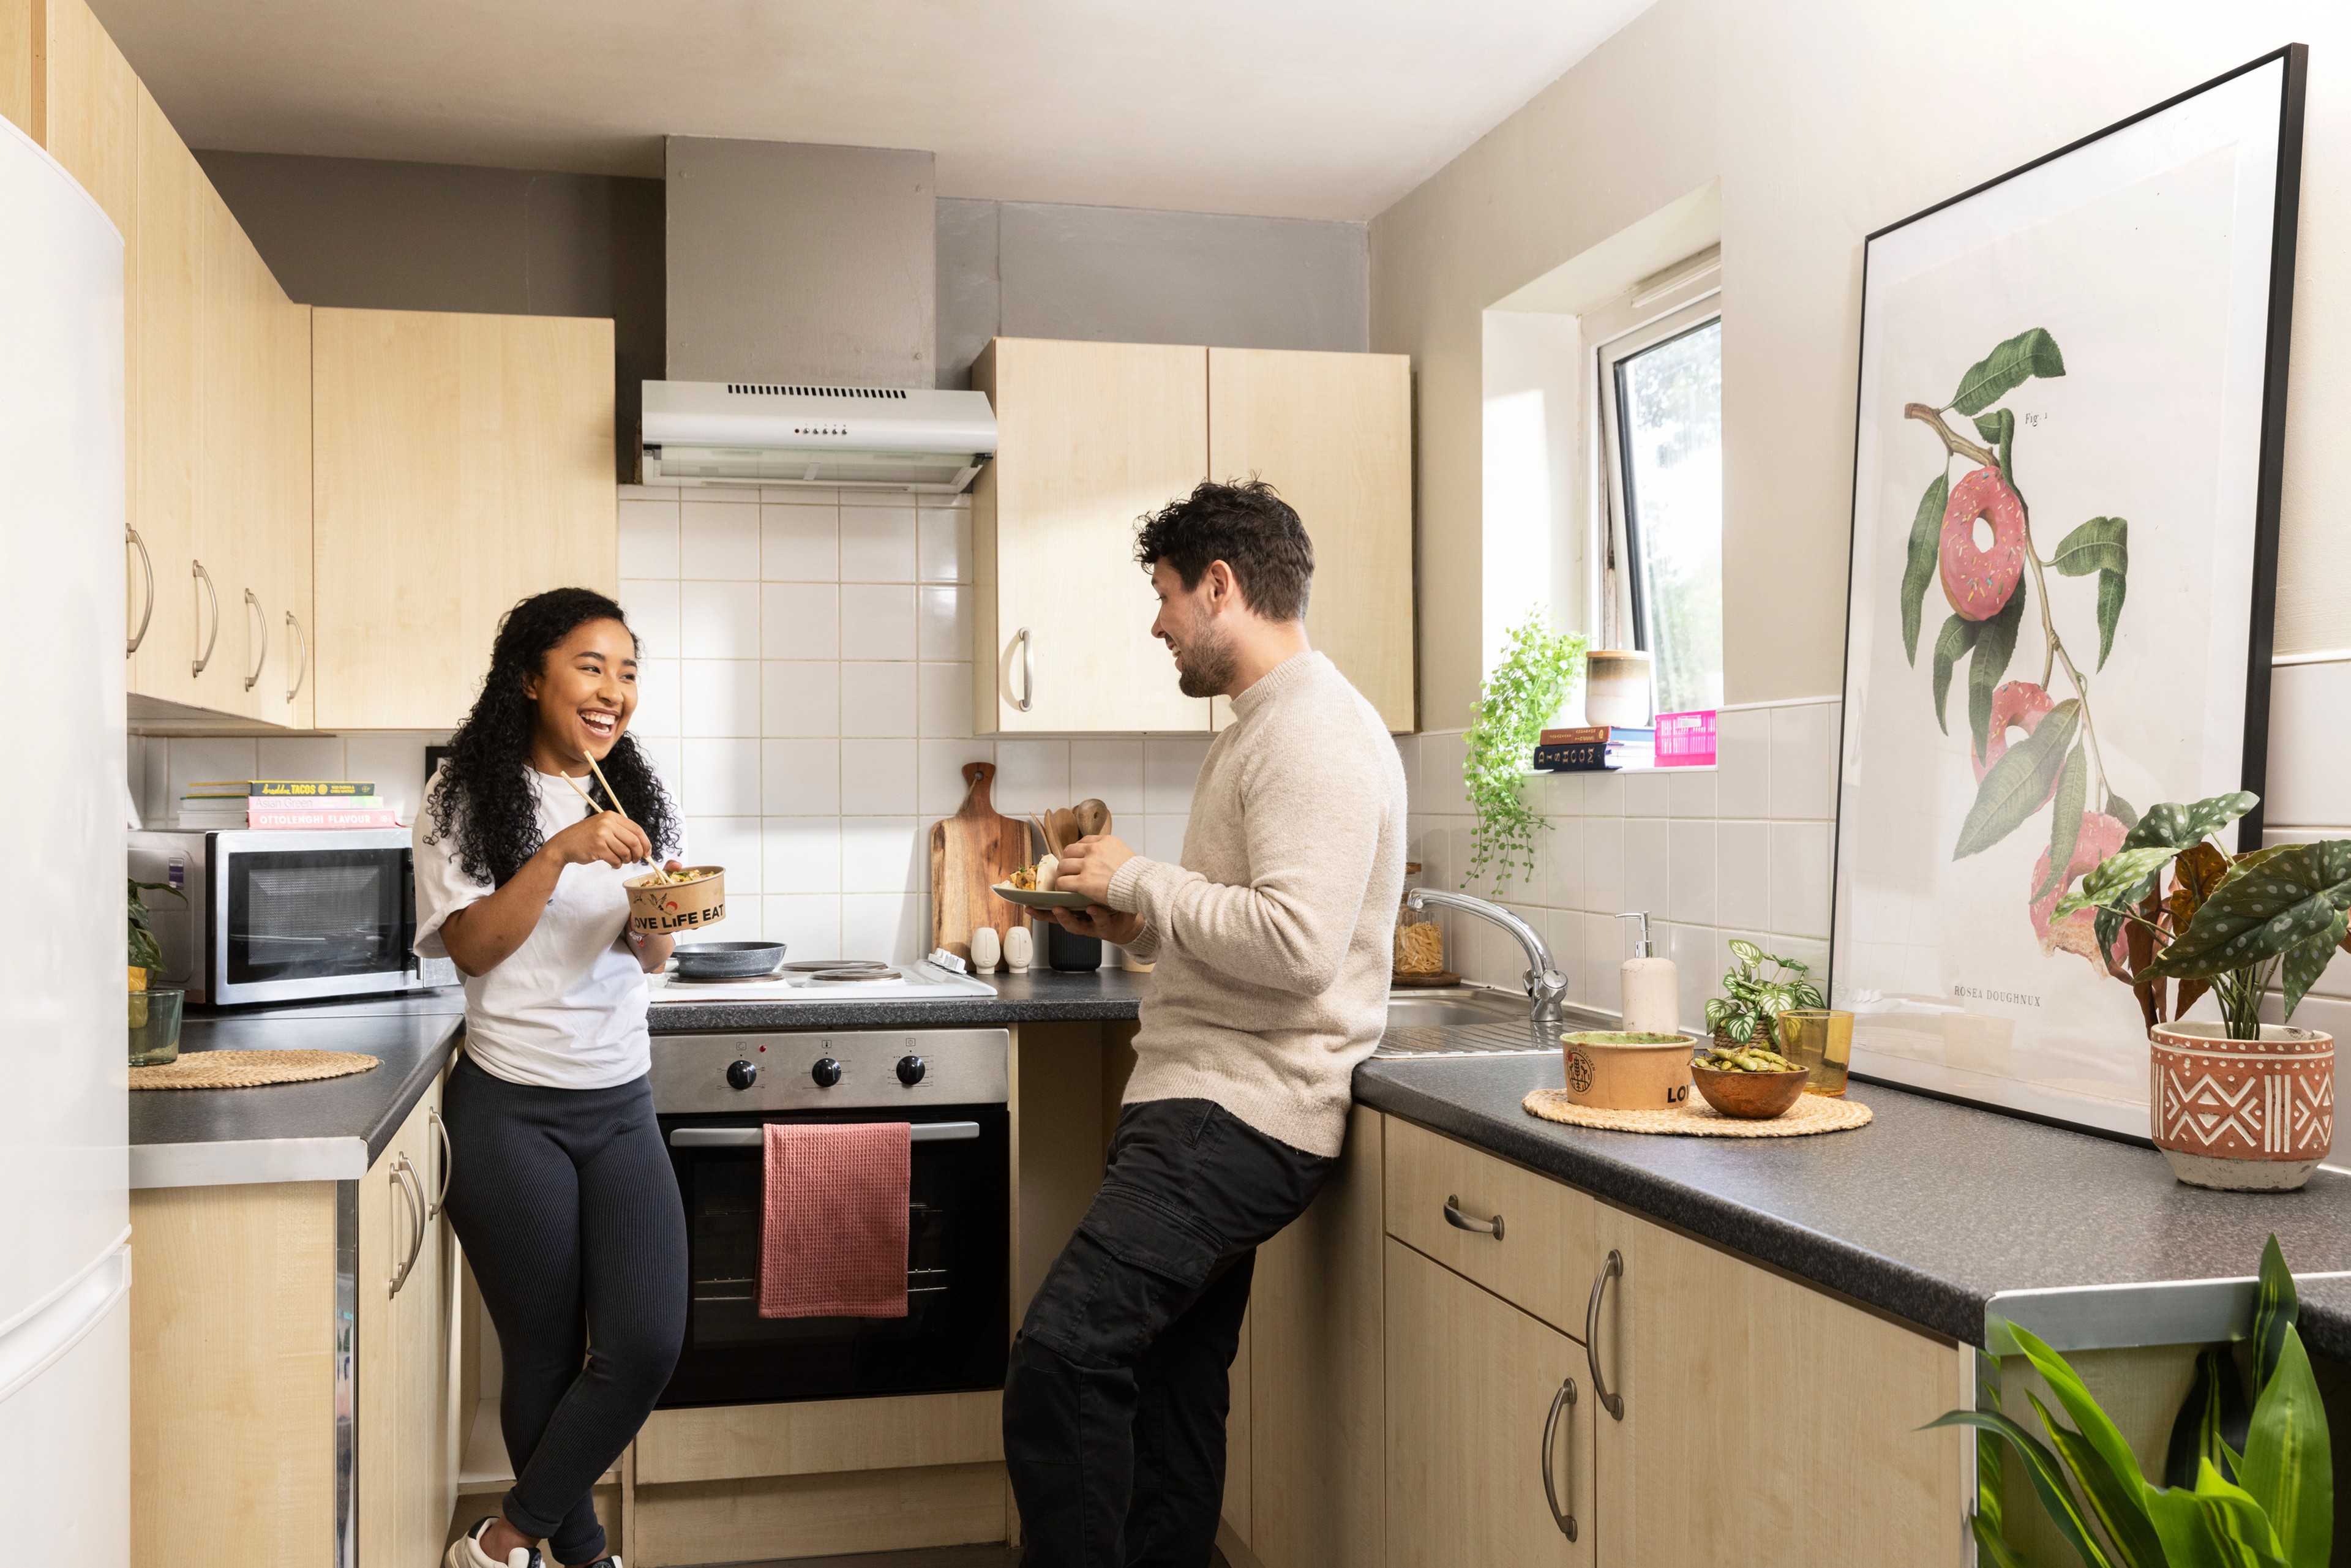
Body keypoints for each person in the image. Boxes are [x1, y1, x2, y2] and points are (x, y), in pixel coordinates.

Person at [1006, 479, 1407, 1566]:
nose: (1159, 622)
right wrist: (1132, 917)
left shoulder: (1315, 729)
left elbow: (1295, 944)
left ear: (1222, 586)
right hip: (1204, 1100)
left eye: (1168, 595)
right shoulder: (1261, 728)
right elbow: (1239, 935)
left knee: (1060, 1358)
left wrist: (1144, 875)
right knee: (1170, 1396)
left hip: (1235, 1115)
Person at [418, 587, 689, 1568]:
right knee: (543, 1355)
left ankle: (504, 1538)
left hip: (620, 1103)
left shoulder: (640, 794)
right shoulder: (461, 796)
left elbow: (650, 958)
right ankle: (586, 1556)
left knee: (646, 1343)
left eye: (627, 671)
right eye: (591, 665)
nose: (613, 690)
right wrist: (563, 847)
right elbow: (476, 948)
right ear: (531, 677)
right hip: (511, 1110)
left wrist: (664, 912)